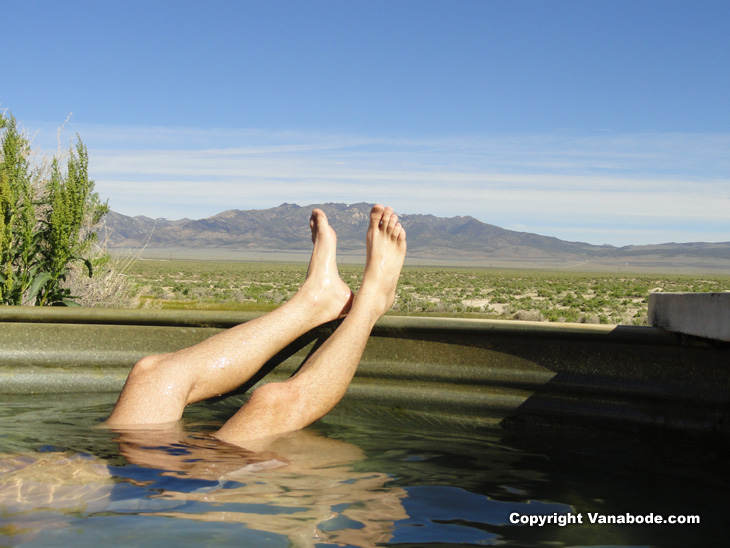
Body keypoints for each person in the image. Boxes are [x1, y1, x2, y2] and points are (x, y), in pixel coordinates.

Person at [106, 204, 407, 448]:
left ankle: (315, 301)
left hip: (103, 472)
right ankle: (372, 302)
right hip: (188, 491)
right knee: (271, 403)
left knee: (152, 374)